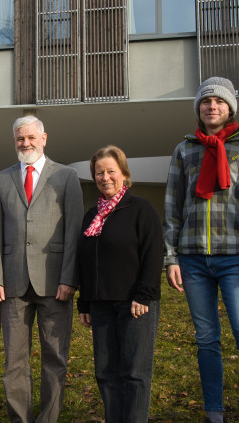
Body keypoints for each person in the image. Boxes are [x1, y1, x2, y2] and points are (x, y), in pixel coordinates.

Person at [163, 77, 239, 423]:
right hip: (193, 260)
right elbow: (172, 208)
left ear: (230, 109)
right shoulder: (185, 149)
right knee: (207, 339)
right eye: (206, 101)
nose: (212, 106)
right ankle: (214, 413)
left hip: (236, 260)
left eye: (219, 102)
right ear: (199, 109)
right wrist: (172, 258)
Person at [0, 115, 83, 423]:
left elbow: (74, 231)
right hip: (12, 284)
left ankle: (48, 419)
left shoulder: (67, 176)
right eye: (19, 139)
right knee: (14, 362)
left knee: (55, 358)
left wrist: (69, 278)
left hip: (55, 283)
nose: (25, 143)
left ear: (44, 138)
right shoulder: (2, 179)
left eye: (30, 138)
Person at [76, 145, 163, 423]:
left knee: (134, 373)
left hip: (135, 304)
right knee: (105, 372)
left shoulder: (140, 208)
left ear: (124, 173)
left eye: (111, 171)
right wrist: (85, 302)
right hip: (101, 306)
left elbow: (153, 253)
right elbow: (86, 261)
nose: (105, 177)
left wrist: (143, 295)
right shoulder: (91, 216)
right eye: (99, 173)